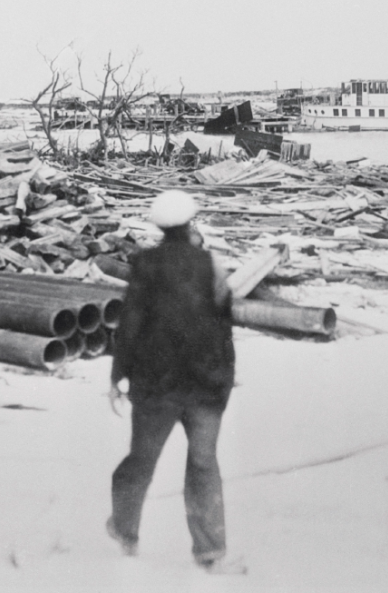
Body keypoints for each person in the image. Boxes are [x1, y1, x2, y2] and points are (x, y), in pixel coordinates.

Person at [107, 190, 245, 575]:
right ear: (190, 224)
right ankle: (211, 551)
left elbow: (130, 324)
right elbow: (224, 321)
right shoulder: (209, 264)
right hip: (204, 383)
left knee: (141, 461)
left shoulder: (144, 264)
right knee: (204, 464)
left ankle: (124, 530)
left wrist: (118, 375)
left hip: (157, 385)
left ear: (159, 226)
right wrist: (224, 378)